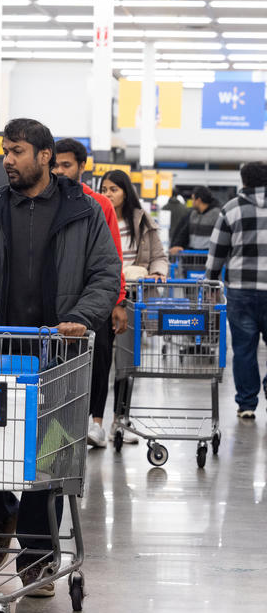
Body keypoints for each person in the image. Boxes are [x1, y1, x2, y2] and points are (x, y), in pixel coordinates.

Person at [0, 118, 121, 596]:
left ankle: (37, 556)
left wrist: (83, 316)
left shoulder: (85, 211)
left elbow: (105, 274)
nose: (7, 160)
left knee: (46, 455)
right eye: (5, 152)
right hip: (0, 348)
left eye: (16, 152)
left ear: (43, 156)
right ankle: (1, 516)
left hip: (58, 352)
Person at [52, 139, 127, 449]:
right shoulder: (44, 203)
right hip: (59, 302)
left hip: (95, 301)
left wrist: (117, 301)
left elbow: (113, 258)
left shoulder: (99, 205)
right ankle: (60, 425)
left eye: (66, 165)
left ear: (82, 167)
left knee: (99, 359)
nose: (59, 171)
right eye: (54, 164)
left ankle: (96, 422)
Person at [100, 169, 169, 438]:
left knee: (126, 363)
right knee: (101, 360)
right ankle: (96, 422)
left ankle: (121, 419)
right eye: (104, 189)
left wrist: (158, 273)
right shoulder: (99, 217)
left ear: (126, 192)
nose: (107, 194)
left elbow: (159, 256)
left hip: (133, 297)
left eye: (113, 189)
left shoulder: (142, 222)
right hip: (103, 296)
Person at [206, 162, 267, 418]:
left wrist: (211, 282)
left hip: (241, 291)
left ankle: (247, 405)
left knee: (243, 349)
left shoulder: (230, 209)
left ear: (243, 181)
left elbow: (217, 251)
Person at [170, 186, 221, 254]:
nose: (192, 202)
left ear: (199, 200)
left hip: (208, 256)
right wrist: (177, 245)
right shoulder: (193, 214)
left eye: (193, 199)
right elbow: (184, 232)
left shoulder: (216, 214)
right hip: (192, 257)